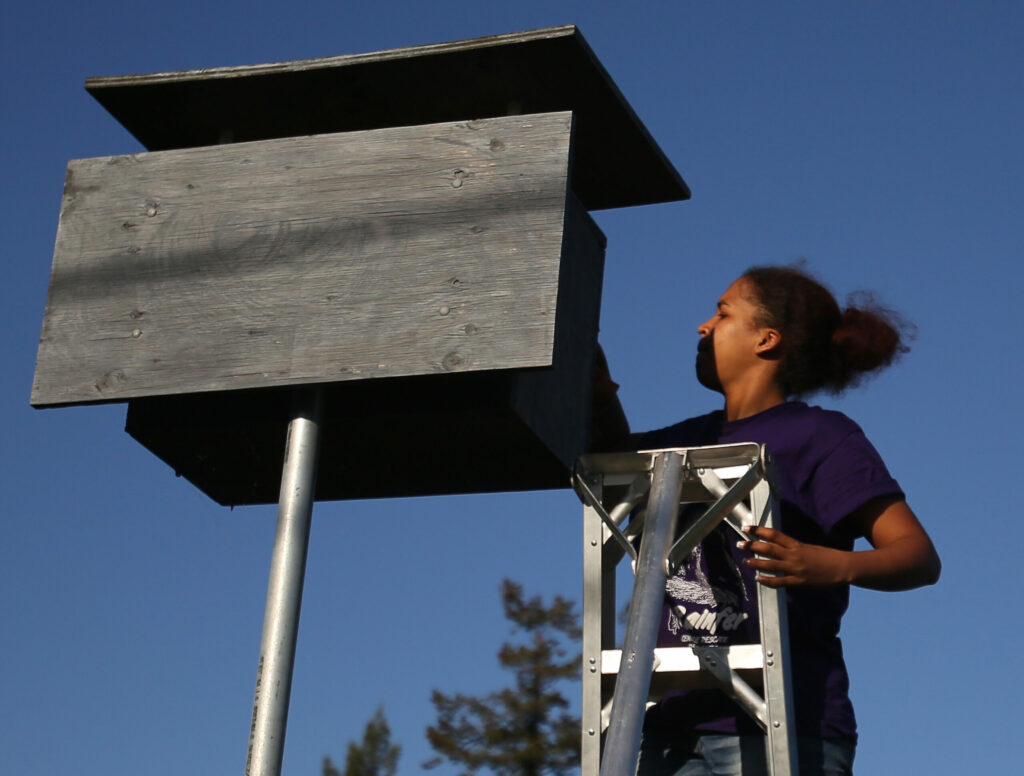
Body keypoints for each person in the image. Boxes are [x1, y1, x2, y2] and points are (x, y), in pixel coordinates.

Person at [590, 265, 941, 776]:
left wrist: (829, 564)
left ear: (767, 339)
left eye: (723, 312)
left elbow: (917, 556)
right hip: (673, 726)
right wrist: (600, 390)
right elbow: (609, 465)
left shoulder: (821, 436)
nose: (703, 326)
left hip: (787, 722)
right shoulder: (689, 439)